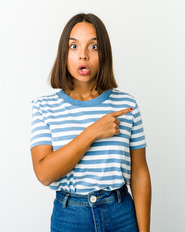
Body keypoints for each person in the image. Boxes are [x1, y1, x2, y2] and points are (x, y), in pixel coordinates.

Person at [30, 13, 151, 232]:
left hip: (121, 215)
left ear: (104, 53)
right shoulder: (44, 107)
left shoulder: (127, 105)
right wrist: (92, 132)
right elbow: (44, 174)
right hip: (70, 217)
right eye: (74, 46)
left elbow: (140, 173)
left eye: (93, 47)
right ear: (63, 53)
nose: (83, 56)